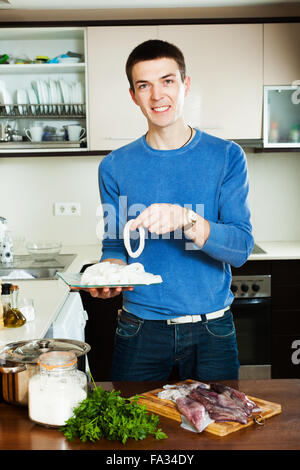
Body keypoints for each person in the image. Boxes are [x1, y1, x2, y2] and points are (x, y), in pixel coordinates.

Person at [88, 39, 254, 382]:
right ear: (133, 95)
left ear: (185, 85)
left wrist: (186, 219)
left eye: (167, 81)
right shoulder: (114, 167)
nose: (157, 95)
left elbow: (240, 248)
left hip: (213, 331)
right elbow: (116, 248)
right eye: (144, 85)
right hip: (140, 332)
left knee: (216, 432)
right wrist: (108, 275)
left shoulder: (226, 157)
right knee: (134, 433)